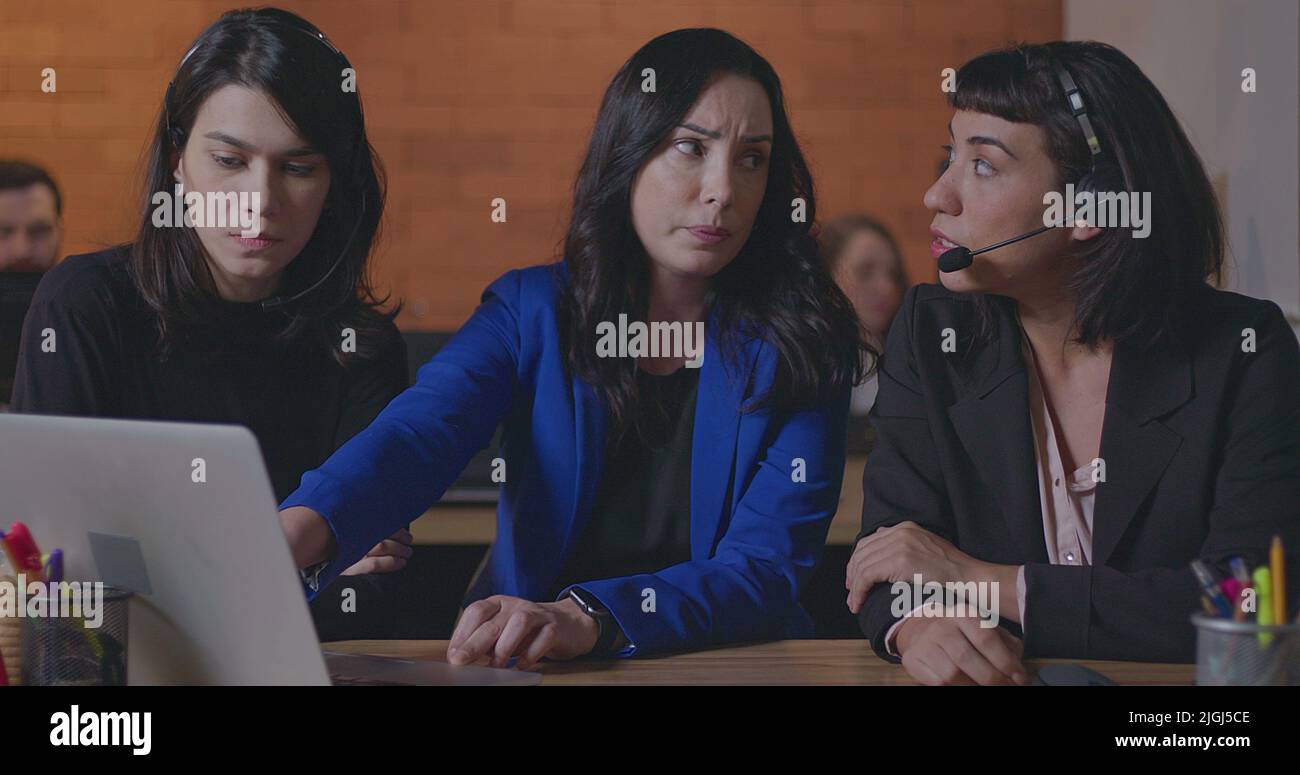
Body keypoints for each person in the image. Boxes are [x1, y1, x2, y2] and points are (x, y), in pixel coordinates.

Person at [279, 27, 871, 669]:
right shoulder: (529, 312)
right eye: (690, 148)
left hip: (727, 666)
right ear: (630, 153)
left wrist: (590, 616)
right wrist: (301, 529)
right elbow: (420, 435)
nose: (723, 190)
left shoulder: (802, 341)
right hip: (524, 662)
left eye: (751, 158)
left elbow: (762, 570)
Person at [845, 41, 1300, 684]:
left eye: (983, 165)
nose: (936, 195)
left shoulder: (1243, 352)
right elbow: (893, 555)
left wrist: (979, 582)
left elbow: (1245, 600)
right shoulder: (931, 333)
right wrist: (919, 625)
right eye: (952, 155)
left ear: (1090, 205)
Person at [10, 8, 414, 637]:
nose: (259, 202)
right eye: (229, 160)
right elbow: (52, 575)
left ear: (335, 182)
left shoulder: (360, 347)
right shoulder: (86, 306)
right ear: (178, 159)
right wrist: (301, 556)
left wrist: (158, 560)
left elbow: (369, 600)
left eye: (299, 168)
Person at [819, 213, 908, 424]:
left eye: (893, 273)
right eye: (865, 272)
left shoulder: (909, 359)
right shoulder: (803, 364)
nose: (887, 288)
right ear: (826, 277)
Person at [0, 160, 63, 408]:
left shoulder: (89, 314)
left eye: (39, 231)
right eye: (3, 232)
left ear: (60, 231)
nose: (21, 250)